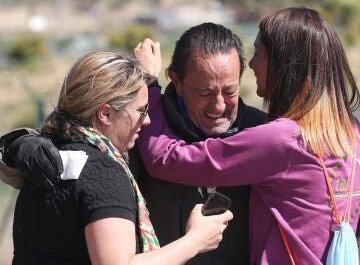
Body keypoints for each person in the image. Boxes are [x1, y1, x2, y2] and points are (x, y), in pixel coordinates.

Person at [1, 23, 266, 265]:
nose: (219, 104)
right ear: (177, 81)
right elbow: (76, 130)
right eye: (204, 92)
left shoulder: (263, 135)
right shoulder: (134, 140)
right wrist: (21, 142)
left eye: (230, 91)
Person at [134, 7, 360, 264]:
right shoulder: (351, 133)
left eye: (258, 53)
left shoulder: (281, 140)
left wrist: (149, 86)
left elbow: (166, 159)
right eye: (205, 92)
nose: (251, 64)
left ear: (282, 66)